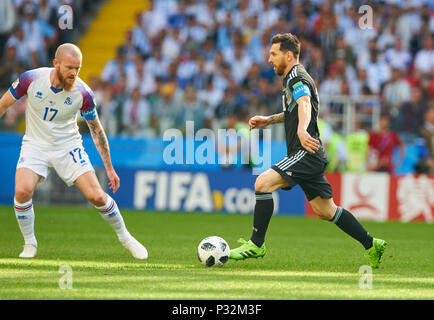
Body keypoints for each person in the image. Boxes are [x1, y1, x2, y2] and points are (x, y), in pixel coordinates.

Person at [229, 33, 387, 268]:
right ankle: (371, 243)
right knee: (325, 210)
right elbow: (295, 109)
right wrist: (269, 120)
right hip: (309, 153)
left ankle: (256, 243)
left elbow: (303, 104)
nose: (269, 59)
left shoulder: (296, 76)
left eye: (274, 54)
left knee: (262, 183)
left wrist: (302, 131)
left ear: (289, 55)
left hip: (305, 151)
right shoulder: (294, 78)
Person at [0, 43, 148, 260]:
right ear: (56, 63)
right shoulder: (30, 79)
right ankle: (30, 243)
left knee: (97, 196)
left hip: (68, 146)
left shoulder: (83, 93)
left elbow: (96, 130)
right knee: (22, 191)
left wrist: (109, 168)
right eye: (69, 67)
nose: (74, 73)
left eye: (77, 68)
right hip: (35, 144)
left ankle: (125, 237)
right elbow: (3, 104)